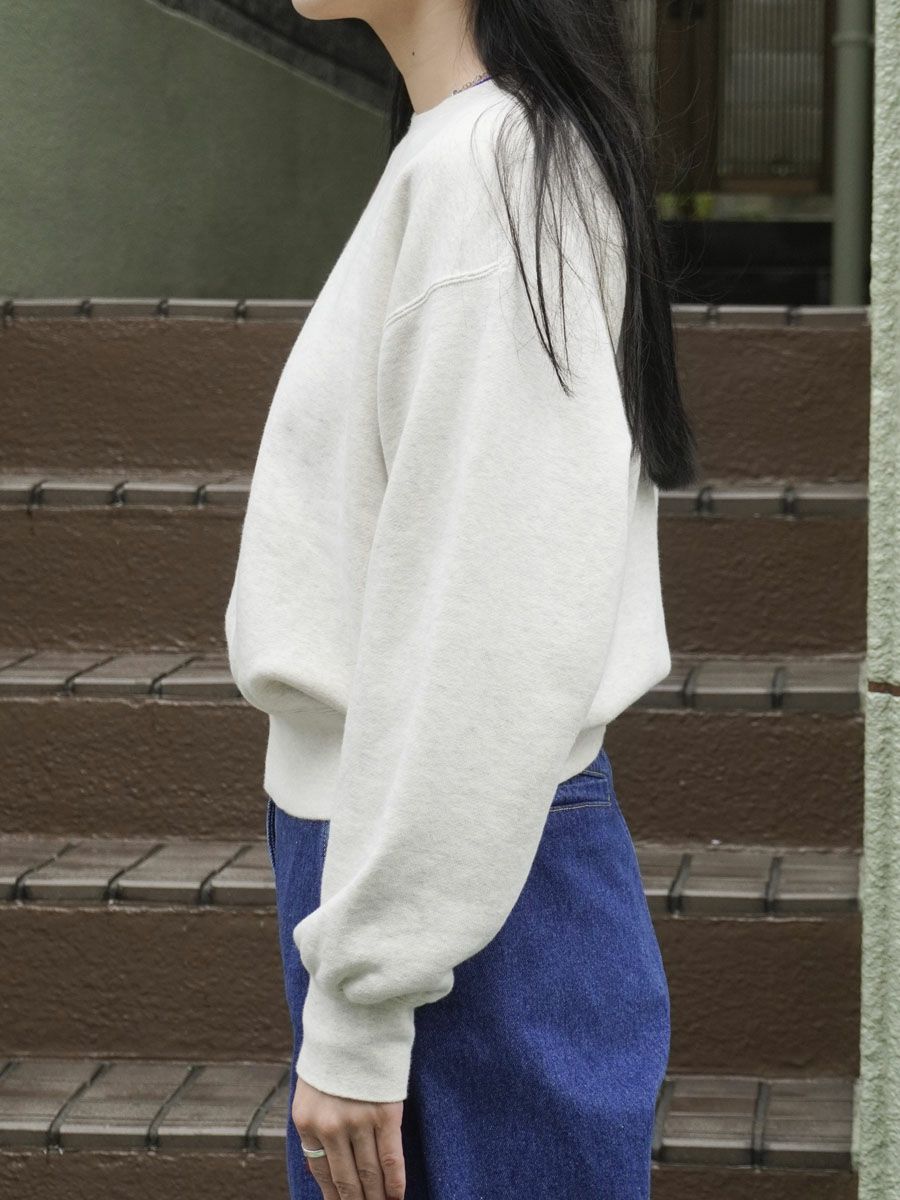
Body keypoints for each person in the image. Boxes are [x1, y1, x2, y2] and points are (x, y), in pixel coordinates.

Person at [225, 1, 699, 1196]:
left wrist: (365, 1001)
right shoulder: (472, 155)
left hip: (464, 890)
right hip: (434, 867)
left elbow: (490, 623)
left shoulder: (497, 170)